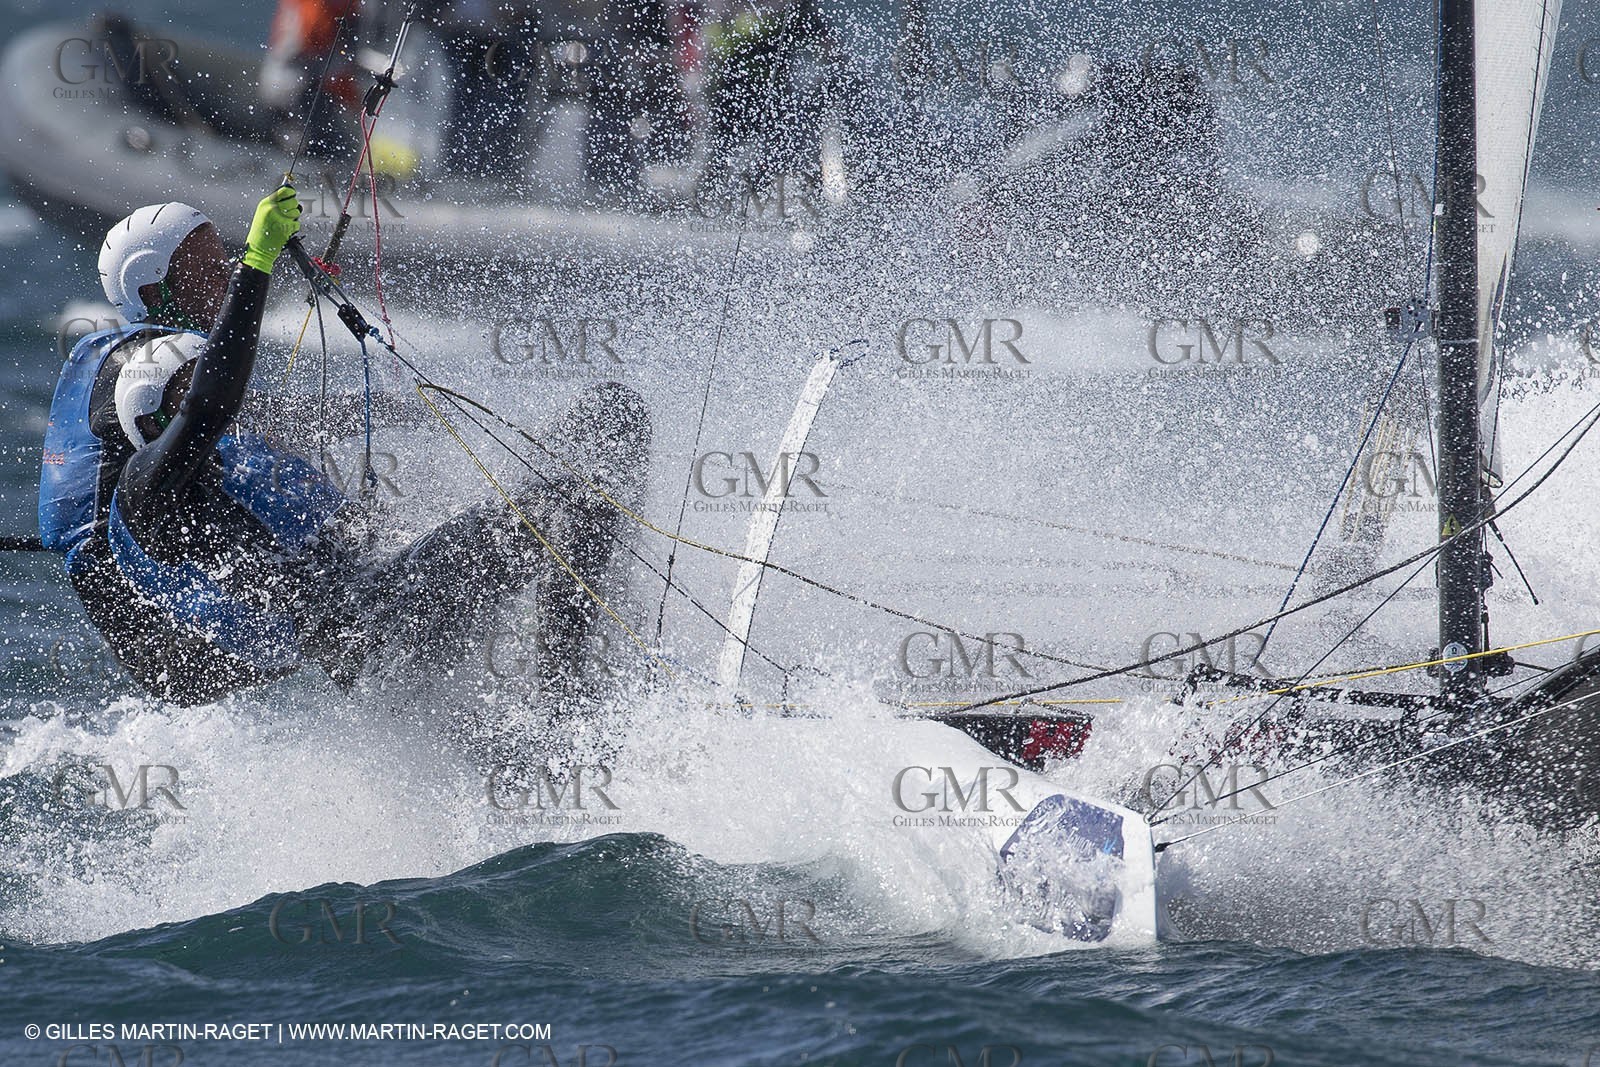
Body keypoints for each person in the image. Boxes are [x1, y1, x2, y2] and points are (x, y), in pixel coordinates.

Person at [40, 186, 649, 707]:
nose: (223, 274)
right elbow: (210, 405)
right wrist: (257, 263)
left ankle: (603, 643)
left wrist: (407, 411)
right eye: (206, 266)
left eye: (225, 260)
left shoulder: (197, 459)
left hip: (371, 592)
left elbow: (246, 420)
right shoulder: (148, 482)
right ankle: (567, 713)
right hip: (362, 634)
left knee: (608, 421)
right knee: (567, 504)